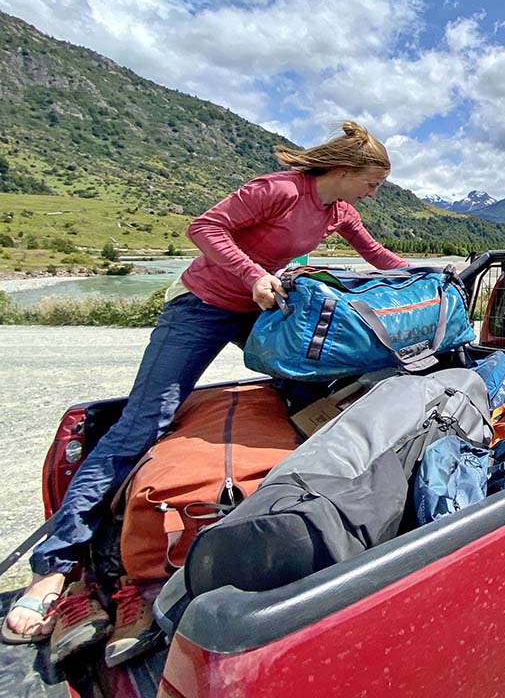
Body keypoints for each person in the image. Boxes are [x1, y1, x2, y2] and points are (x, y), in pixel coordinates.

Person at [2, 121, 409, 661]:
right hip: (202, 307)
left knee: (316, 394)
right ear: (344, 169)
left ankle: (284, 512)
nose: (372, 193)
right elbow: (206, 227)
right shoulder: (279, 190)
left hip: (258, 314)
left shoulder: (339, 213)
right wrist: (253, 274)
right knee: (145, 420)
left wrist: (432, 278)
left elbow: (379, 255)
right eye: (372, 182)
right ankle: (53, 569)